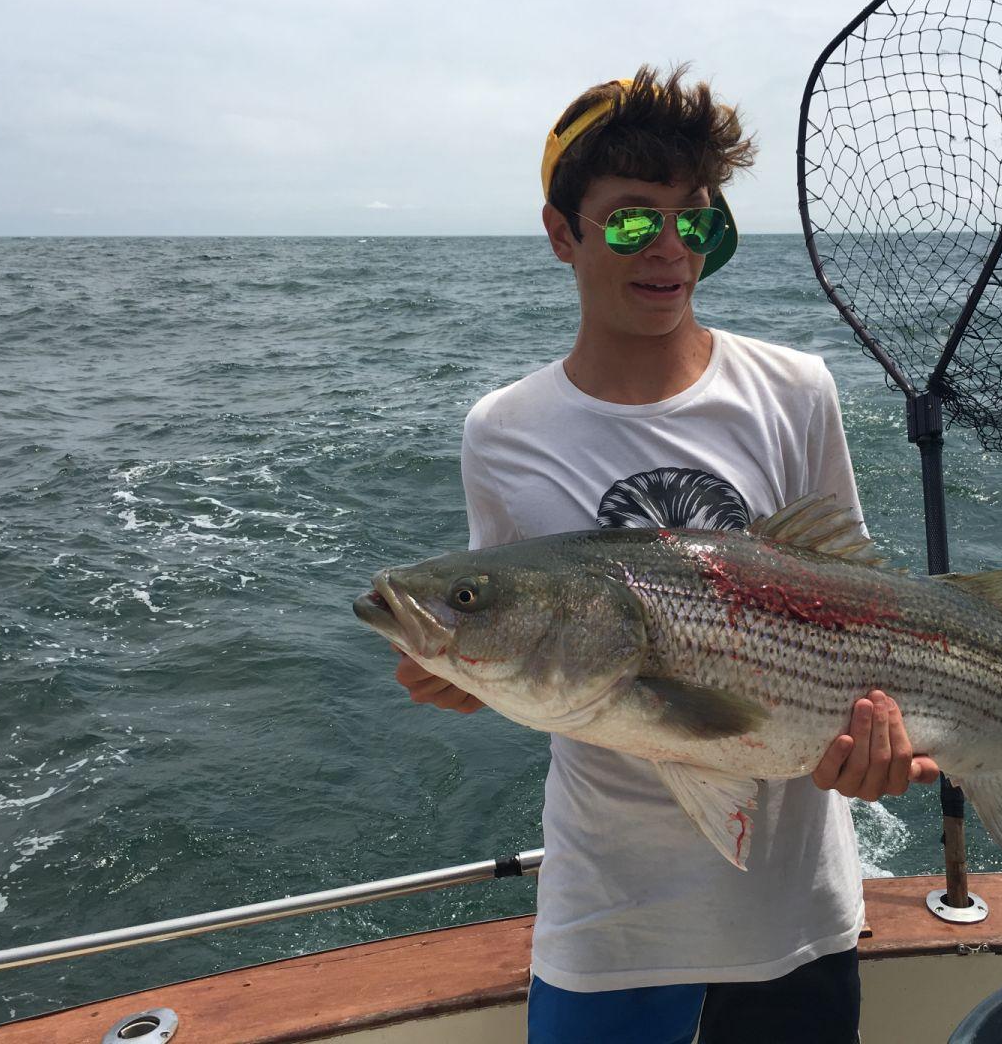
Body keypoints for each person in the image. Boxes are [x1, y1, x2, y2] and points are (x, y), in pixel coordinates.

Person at [394, 65, 940, 1044]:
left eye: (696, 222)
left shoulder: (795, 389)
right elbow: (524, 627)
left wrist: (883, 736)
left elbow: (857, 600)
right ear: (562, 233)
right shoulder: (503, 430)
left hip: (794, 913)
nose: (672, 250)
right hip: (609, 920)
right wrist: (462, 674)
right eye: (635, 221)